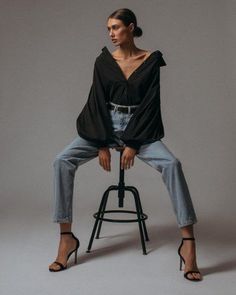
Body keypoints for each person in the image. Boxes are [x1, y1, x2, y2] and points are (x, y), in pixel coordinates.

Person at [48, 8, 203, 281]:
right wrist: (100, 143)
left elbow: (150, 105)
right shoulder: (103, 61)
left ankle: (188, 244)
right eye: (108, 28)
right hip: (104, 126)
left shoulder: (151, 60)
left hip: (139, 129)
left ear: (131, 27)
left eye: (116, 28)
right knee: (62, 160)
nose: (111, 33)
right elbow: (96, 101)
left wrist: (132, 142)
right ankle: (65, 238)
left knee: (172, 164)